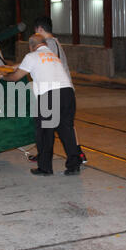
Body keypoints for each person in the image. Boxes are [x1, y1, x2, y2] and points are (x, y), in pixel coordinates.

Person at [0, 34, 84, 176]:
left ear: (31, 46)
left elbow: (16, 76)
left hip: (49, 95)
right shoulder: (53, 56)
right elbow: (29, 64)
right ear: (44, 44)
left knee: (45, 134)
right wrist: (12, 66)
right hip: (68, 94)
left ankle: (45, 168)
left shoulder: (31, 57)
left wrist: (2, 76)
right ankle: (74, 165)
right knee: (67, 131)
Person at [27, 16, 87, 164]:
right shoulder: (54, 42)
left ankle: (75, 155)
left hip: (57, 89)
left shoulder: (50, 44)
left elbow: (41, 61)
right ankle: (71, 155)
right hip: (61, 89)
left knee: (54, 126)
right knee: (61, 126)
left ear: (40, 30)